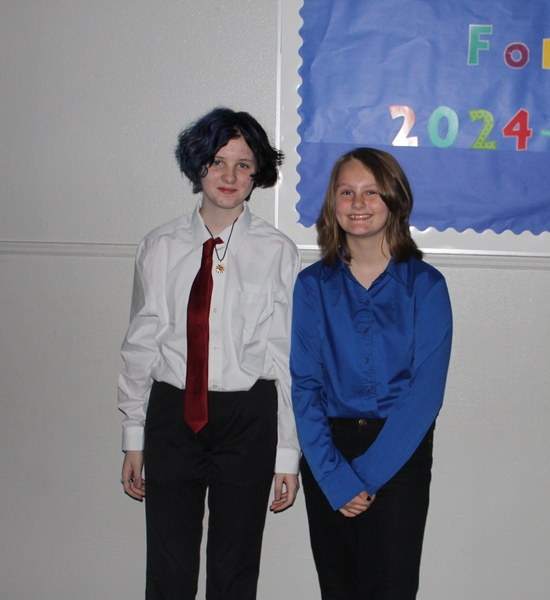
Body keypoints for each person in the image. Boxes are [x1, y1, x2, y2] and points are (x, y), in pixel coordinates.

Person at [117, 107, 301, 600]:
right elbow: (141, 341)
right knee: (169, 562)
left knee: (235, 565)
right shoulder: (159, 246)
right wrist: (133, 434)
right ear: (197, 164)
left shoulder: (277, 251)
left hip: (248, 417)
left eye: (243, 165)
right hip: (173, 412)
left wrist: (288, 452)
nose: (229, 176)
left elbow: (286, 355)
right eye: (218, 161)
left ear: (257, 174)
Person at [290, 147, 453, 599]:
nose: (358, 203)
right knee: (339, 588)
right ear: (333, 202)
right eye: (347, 192)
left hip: (399, 453)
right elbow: (305, 386)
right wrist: (335, 476)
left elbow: (425, 394)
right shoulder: (311, 286)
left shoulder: (426, 286)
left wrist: (366, 475)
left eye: (372, 192)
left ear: (395, 200)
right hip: (328, 454)